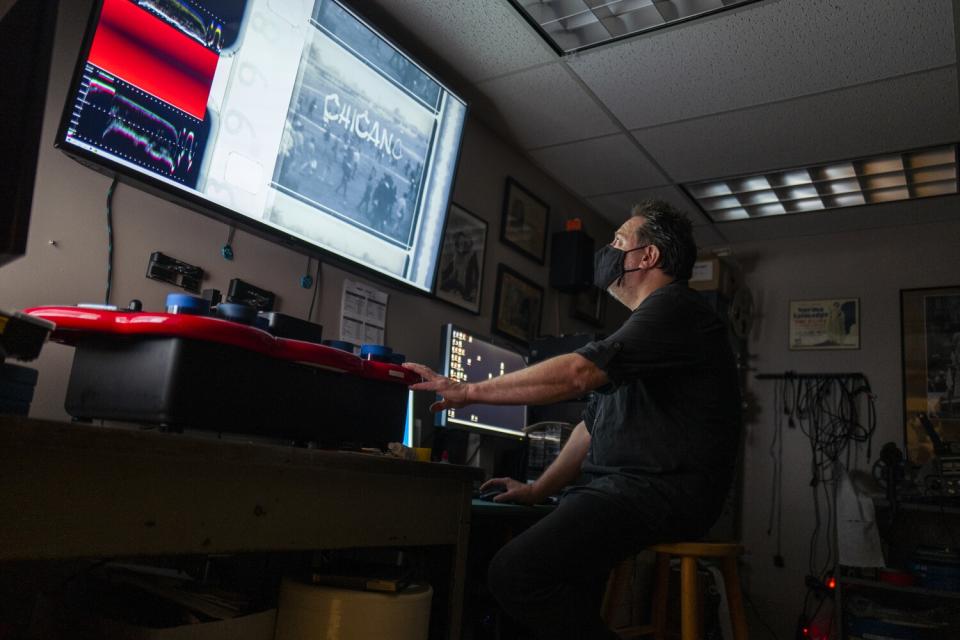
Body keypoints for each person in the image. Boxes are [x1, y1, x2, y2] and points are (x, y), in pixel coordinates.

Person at [404, 200, 742, 640]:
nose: (608, 251)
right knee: (564, 584)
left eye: (619, 241)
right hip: (626, 490)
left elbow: (579, 373)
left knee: (513, 573)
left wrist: (467, 391)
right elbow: (590, 426)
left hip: (661, 492)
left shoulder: (676, 308)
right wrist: (536, 490)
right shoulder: (643, 334)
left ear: (647, 256)